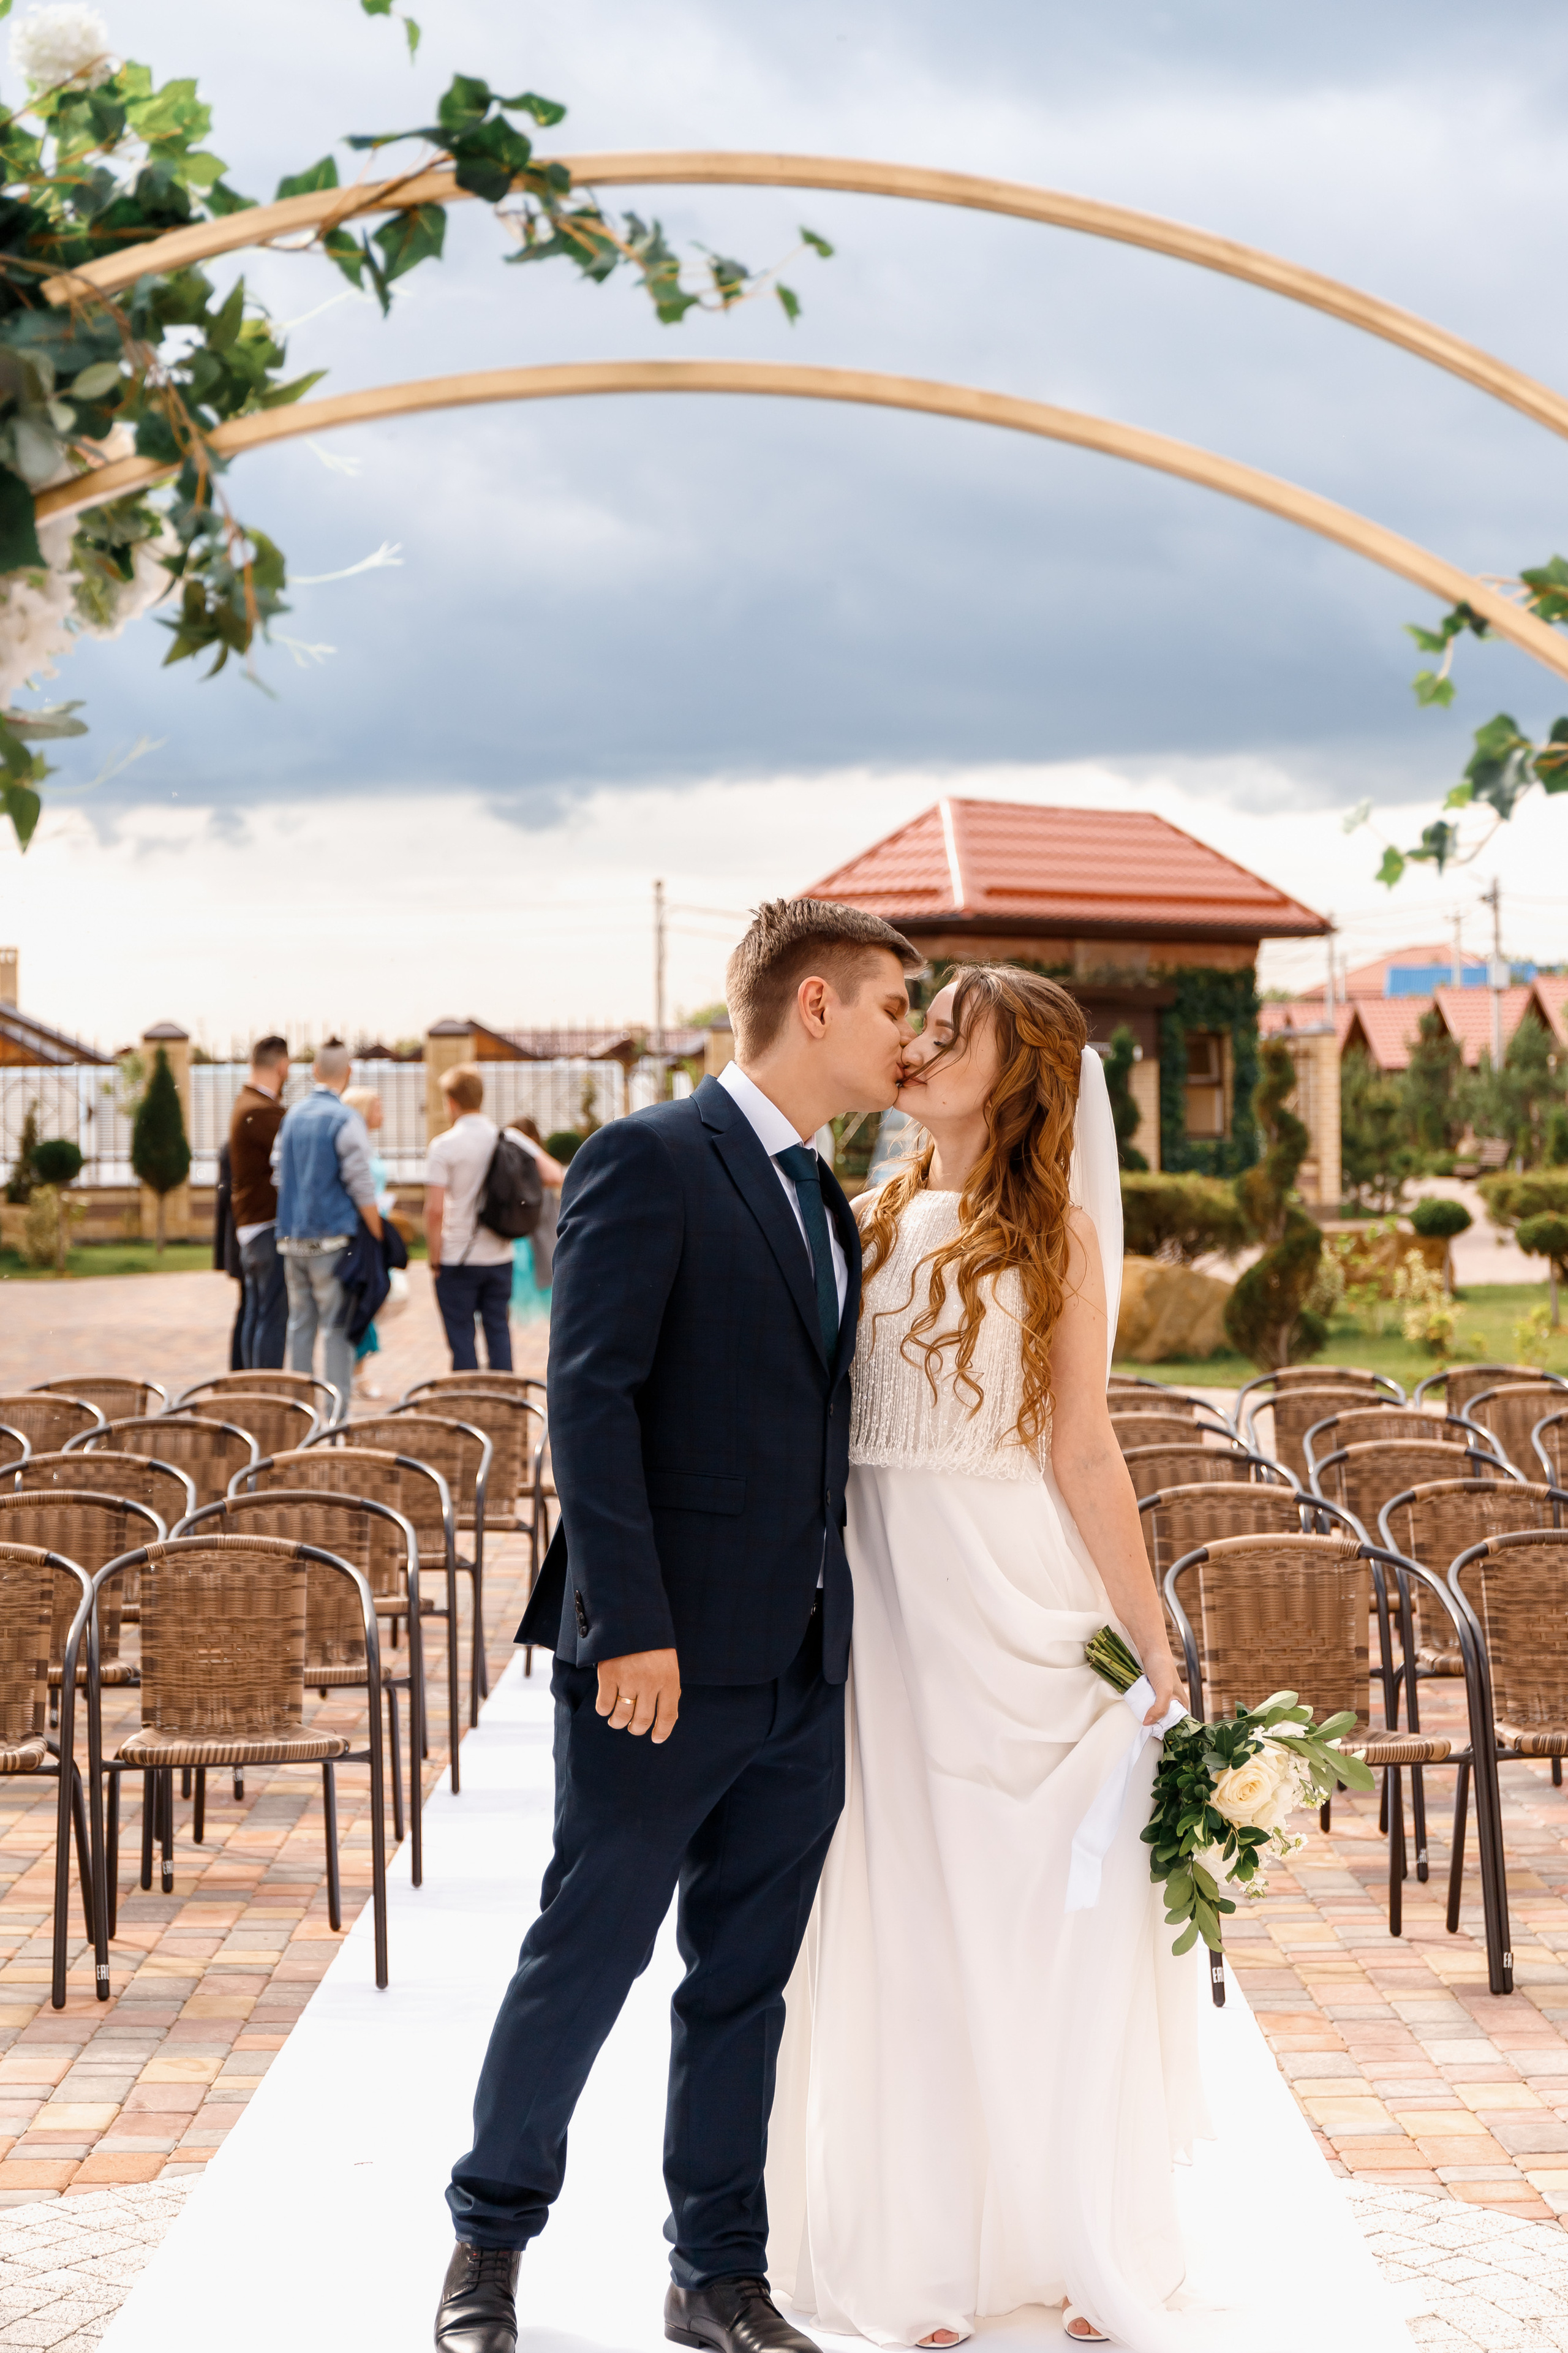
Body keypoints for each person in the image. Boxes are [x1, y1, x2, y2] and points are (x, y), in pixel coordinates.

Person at [435, 898, 921, 2353]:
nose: (911, 1032)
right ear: (816, 1003)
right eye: (898, 1004)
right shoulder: (650, 1156)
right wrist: (629, 1622)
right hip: (654, 1662)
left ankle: (714, 2272)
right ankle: (486, 2247)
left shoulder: (827, 1198)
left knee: (742, 1983)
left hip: (800, 1666)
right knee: (585, 1951)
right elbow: (584, 1396)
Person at [764, 967, 1202, 2350]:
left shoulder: (1056, 1232)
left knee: (1042, 1920)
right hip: (886, 1613)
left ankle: (1070, 2233)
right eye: (927, 1020)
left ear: (1020, 1079)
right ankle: (923, 2250)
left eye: (959, 1032)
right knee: (909, 1919)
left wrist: (1151, 1632)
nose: (926, 1040)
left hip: (1018, 1604)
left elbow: (1082, 1445)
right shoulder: (866, 1213)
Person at [273, 1043, 382, 1414]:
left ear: (315, 1071)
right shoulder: (345, 1118)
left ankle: (300, 1418)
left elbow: (278, 1173)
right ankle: (336, 1421)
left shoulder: (291, 1117)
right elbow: (361, 1183)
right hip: (332, 1243)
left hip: (291, 1240)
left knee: (300, 1328)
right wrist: (378, 1231)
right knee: (336, 1330)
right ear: (348, 1073)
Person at [424, 1065, 517, 1372]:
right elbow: (554, 1174)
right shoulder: (507, 1139)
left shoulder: (443, 1146)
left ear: (451, 1102)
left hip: (457, 1257)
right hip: (500, 1255)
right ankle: (504, 1409)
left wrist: (435, 1258)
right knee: (499, 1332)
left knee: (461, 1337)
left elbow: (435, 1210)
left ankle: (467, 1405)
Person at [228, 1035, 290, 1369]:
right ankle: (267, 1395)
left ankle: (252, 1391)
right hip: (266, 1229)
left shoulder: (245, 1104)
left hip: (250, 1230)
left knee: (257, 1314)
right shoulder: (262, 1112)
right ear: (282, 1066)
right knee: (272, 1319)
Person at [343, 1086, 399, 1396]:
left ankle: (358, 1371)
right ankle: (357, 1374)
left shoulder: (365, 1144)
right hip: (364, 1233)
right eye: (378, 1107)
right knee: (363, 1299)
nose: (383, 1113)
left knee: (369, 1300)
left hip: (374, 1225)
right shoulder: (355, 1146)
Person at [506, 1116, 565, 1324]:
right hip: (520, 1246)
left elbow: (557, 1176)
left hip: (539, 1245)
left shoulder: (541, 1168)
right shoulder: (509, 1167)